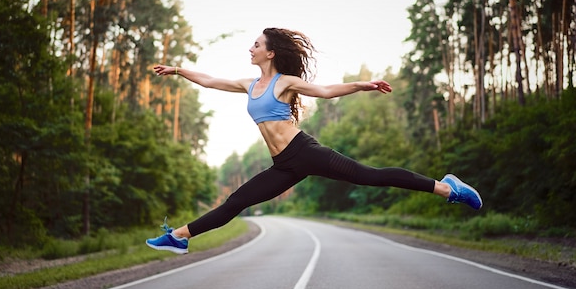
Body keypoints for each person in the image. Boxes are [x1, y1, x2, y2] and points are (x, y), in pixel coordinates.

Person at [146, 28, 482, 254]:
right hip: (283, 165)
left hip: (303, 152)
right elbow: (210, 80)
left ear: (271, 53)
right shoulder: (249, 85)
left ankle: (448, 188)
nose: (251, 48)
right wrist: (177, 70)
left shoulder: (285, 82)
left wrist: (361, 85)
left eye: (257, 44)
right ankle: (178, 237)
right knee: (236, 201)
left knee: (371, 176)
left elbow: (325, 91)